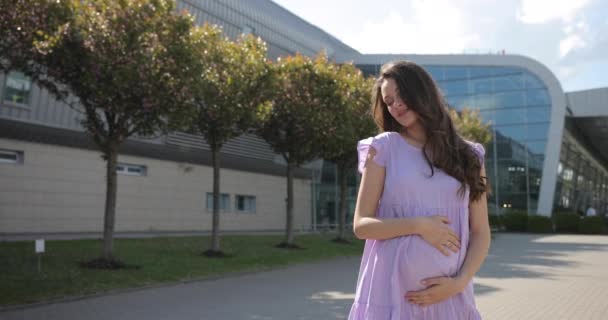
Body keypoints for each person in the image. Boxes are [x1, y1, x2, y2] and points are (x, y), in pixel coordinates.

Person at [348, 61, 491, 319]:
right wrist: (419, 225)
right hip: (389, 296)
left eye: (401, 95)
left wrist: (459, 283)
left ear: (422, 92)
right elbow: (362, 225)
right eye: (389, 101)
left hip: (450, 298)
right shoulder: (384, 148)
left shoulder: (470, 155)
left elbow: (481, 232)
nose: (396, 105)